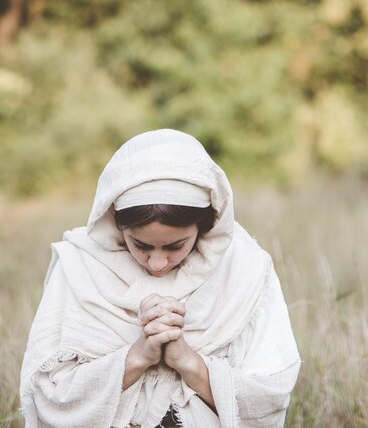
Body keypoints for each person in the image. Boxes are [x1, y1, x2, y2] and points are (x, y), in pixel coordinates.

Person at [20, 129, 301, 428]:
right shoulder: (80, 265)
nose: (156, 263)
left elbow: (268, 399)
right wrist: (137, 357)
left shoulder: (244, 267)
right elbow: (51, 397)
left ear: (205, 226)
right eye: (140, 245)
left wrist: (187, 361)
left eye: (175, 246)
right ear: (116, 223)